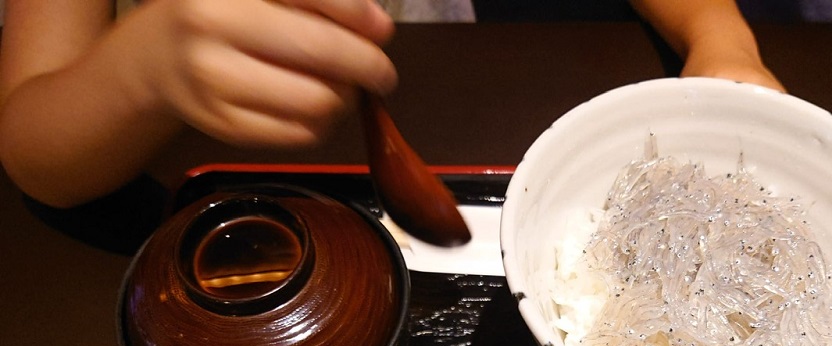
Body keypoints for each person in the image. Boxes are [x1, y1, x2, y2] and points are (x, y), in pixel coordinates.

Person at [0, 0, 782, 213]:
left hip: (460, 119)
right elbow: (36, 154)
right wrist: (137, 71)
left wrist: (718, 35)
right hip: (203, 203)